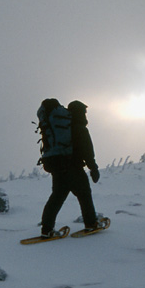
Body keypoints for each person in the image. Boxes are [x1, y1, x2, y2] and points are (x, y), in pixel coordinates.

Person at [40, 99, 101, 237]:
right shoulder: (79, 128)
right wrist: (93, 168)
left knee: (56, 197)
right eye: (84, 112)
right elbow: (87, 150)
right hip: (73, 168)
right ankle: (91, 223)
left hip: (57, 166)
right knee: (84, 195)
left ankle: (46, 228)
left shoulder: (64, 127)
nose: (86, 115)